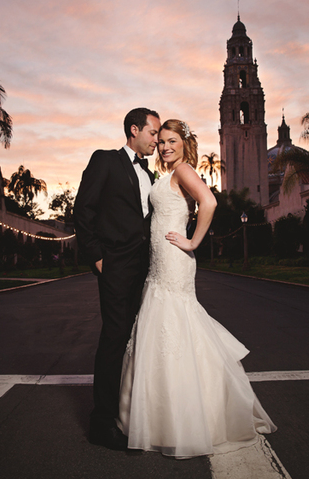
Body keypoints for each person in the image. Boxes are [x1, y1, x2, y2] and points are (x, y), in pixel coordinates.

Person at [117, 119, 277, 458]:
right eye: (160, 141)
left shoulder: (184, 170)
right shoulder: (168, 173)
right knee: (162, 330)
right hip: (159, 264)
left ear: (183, 143)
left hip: (175, 261)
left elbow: (209, 202)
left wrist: (193, 242)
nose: (164, 147)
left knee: (176, 326)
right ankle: (161, 418)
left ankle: (186, 420)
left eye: (171, 140)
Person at [73, 107, 161, 450]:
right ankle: (101, 422)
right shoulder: (105, 160)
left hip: (144, 268)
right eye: (152, 133)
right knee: (113, 337)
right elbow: (84, 209)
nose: (156, 139)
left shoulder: (149, 174)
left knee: (135, 337)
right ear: (134, 129)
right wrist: (97, 258)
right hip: (114, 265)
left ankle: (130, 413)